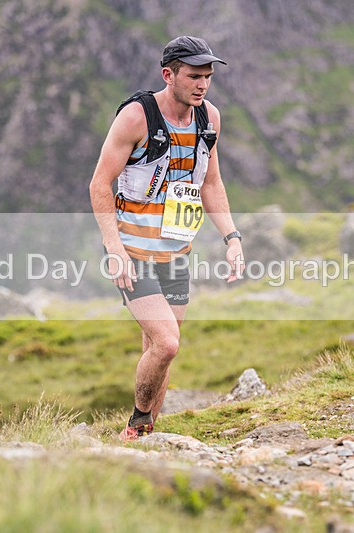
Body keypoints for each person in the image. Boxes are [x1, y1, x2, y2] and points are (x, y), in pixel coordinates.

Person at [89, 36, 245, 442]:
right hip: (132, 252)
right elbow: (100, 184)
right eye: (193, 76)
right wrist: (114, 248)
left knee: (158, 351)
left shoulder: (208, 119)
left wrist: (231, 237)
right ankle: (137, 423)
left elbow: (211, 183)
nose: (202, 84)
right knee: (167, 344)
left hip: (176, 252)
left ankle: (146, 441)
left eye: (207, 76)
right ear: (168, 75)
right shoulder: (136, 118)